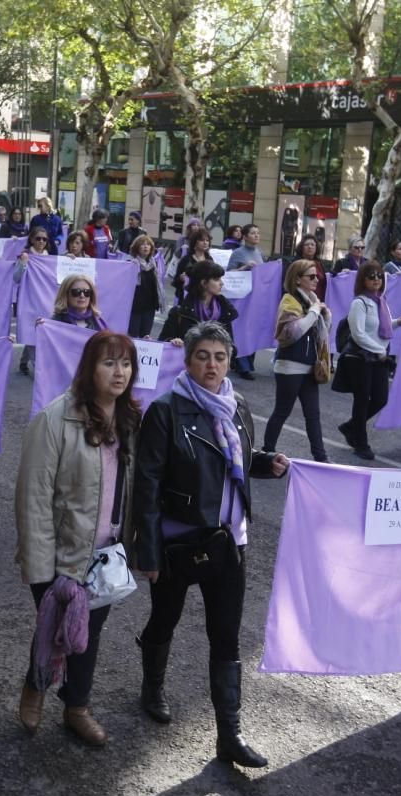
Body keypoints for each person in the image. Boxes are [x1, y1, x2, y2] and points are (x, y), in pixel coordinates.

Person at [132, 321, 289, 769]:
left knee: (226, 635)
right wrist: (147, 552)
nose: (212, 365)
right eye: (203, 356)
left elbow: (235, 457)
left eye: (220, 357)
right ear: (188, 360)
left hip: (229, 541)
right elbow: (147, 484)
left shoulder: (236, 404)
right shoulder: (165, 410)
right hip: (179, 540)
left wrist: (265, 463)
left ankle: (230, 734)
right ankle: (152, 687)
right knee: (165, 618)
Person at [15, 331, 141, 747]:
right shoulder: (55, 419)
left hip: (105, 555)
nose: (119, 372)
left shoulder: (130, 420)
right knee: (54, 627)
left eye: (125, 363)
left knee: (89, 633)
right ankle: (35, 688)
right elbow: (32, 497)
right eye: (109, 363)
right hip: (60, 554)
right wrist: (39, 568)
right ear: (89, 368)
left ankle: (77, 708)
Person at [336, 261, 401, 460]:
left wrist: (398, 323)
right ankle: (361, 442)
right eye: (371, 276)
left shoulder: (380, 301)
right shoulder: (359, 303)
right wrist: (380, 350)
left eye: (379, 276)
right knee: (362, 400)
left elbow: (380, 328)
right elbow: (359, 334)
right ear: (363, 280)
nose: (377, 279)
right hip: (360, 358)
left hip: (377, 357)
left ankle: (351, 426)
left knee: (381, 398)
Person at [264, 259, 331, 461]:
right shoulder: (289, 301)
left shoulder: (312, 300)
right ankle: (267, 451)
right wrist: (314, 312)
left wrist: (325, 317)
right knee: (282, 411)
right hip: (289, 367)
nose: (316, 279)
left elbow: (319, 334)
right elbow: (292, 333)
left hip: (310, 367)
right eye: (311, 276)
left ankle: (321, 458)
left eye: (316, 275)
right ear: (297, 279)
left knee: (313, 415)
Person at [159, 260, 238, 345]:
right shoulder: (179, 313)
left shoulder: (225, 311)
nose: (222, 283)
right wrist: (172, 342)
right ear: (204, 283)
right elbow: (163, 342)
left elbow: (231, 347)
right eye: (216, 279)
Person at [16, 227, 54, 375]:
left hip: (45, 301)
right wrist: (23, 263)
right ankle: (41, 373)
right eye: (38, 238)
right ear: (31, 239)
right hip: (29, 301)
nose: (41, 242)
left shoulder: (50, 258)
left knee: (36, 333)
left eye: (44, 239)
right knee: (30, 331)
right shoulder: (25, 256)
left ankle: (24, 361)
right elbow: (16, 278)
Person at [228, 224, 264, 377]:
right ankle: (244, 366)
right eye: (253, 233)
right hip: (241, 298)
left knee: (253, 330)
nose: (256, 235)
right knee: (242, 330)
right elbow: (229, 273)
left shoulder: (259, 253)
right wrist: (244, 268)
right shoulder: (237, 253)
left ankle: (246, 362)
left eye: (258, 233)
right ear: (245, 236)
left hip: (255, 298)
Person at [128, 234, 165, 338]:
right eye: (142, 244)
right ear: (136, 248)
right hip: (135, 306)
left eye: (148, 244)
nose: (146, 246)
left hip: (149, 306)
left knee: (146, 336)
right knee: (133, 336)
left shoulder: (153, 264)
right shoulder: (131, 263)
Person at [170, 227, 214, 305]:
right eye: (202, 240)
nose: (205, 243)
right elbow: (175, 282)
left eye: (207, 240)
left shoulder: (210, 260)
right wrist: (181, 278)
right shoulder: (186, 259)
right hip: (187, 300)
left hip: (204, 300)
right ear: (195, 242)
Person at [297, 234, 328, 299]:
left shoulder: (319, 264)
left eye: (312, 244)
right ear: (301, 247)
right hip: (301, 300)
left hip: (318, 301)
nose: (310, 247)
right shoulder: (296, 263)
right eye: (307, 244)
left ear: (316, 248)